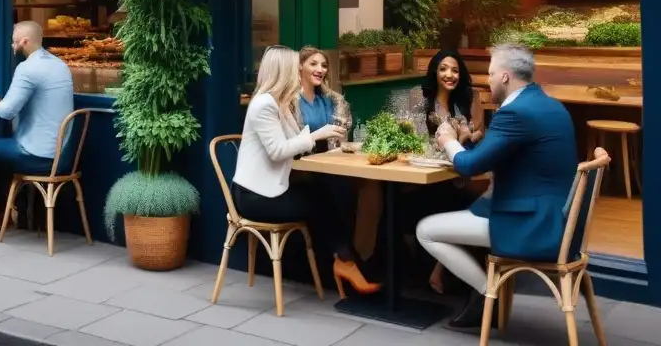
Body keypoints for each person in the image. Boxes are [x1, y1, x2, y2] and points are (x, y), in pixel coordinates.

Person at [417, 43, 577, 329]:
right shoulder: (551, 105)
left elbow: (468, 165)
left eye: (490, 73)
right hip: (554, 219)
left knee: (426, 230)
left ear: (505, 76)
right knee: (467, 205)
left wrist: (448, 141)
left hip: (529, 225)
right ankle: (482, 292)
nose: (486, 79)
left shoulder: (515, 113)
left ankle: (485, 293)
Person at [233, 45, 380, 299]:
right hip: (254, 197)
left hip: (272, 189)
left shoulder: (279, 103)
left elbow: (295, 142)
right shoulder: (263, 104)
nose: (296, 74)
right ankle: (346, 262)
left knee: (327, 192)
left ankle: (347, 261)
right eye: (293, 68)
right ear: (282, 71)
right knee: (322, 201)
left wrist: (320, 136)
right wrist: (317, 134)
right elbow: (279, 151)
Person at [0, 21, 74, 231]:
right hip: (63, 156)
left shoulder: (27, 68)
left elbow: (5, 112)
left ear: (24, 42)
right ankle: (8, 210)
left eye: (13, 42)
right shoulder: (60, 65)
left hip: (37, 156)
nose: (12, 47)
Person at [413, 49, 485, 295]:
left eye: (454, 70)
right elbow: (414, 137)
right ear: (435, 72)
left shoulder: (469, 98)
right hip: (429, 171)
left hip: (461, 169)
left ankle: (440, 267)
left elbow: (479, 132)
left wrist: (466, 136)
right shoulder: (420, 99)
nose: (449, 74)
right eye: (443, 69)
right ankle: (435, 266)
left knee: (462, 201)